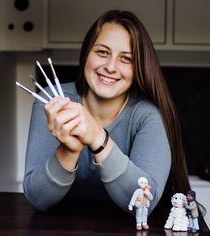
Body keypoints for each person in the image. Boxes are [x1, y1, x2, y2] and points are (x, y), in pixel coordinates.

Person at [23, 10, 191, 215]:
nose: (111, 67)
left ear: (139, 67)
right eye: (102, 52)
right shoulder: (53, 102)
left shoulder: (147, 115)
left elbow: (144, 204)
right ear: (86, 53)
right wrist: (69, 151)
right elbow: (36, 198)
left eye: (126, 58)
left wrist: (98, 139)